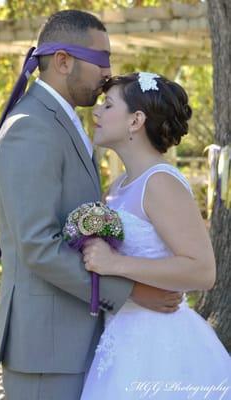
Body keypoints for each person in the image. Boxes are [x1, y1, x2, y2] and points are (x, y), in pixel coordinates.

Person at [0, 11, 184, 400]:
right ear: (64, 61)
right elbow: (38, 246)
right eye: (102, 59)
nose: (109, 73)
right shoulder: (31, 127)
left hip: (76, 340)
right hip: (46, 350)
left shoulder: (61, 122)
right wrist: (129, 291)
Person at [80, 72, 231, 400]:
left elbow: (203, 271)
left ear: (136, 120)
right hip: (119, 336)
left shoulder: (160, 182)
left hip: (160, 347)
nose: (96, 113)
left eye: (108, 105)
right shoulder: (117, 186)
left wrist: (116, 263)